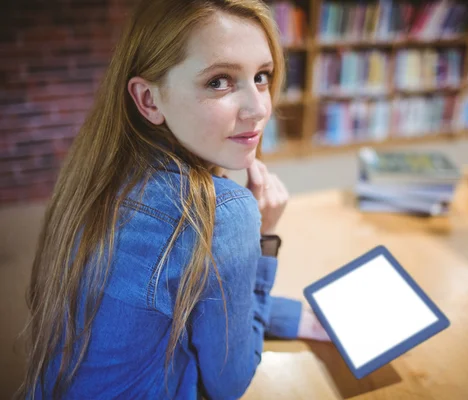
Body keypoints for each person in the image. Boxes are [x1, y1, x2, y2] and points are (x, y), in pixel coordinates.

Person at [17, 0, 328, 398]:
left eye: (262, 76)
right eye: (219, 81)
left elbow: (184, 298)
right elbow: (229, 382)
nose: (258, 108)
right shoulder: (223, 212)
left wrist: (287, 316)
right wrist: (262, 241)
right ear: (149, 99)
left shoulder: (97, 175)